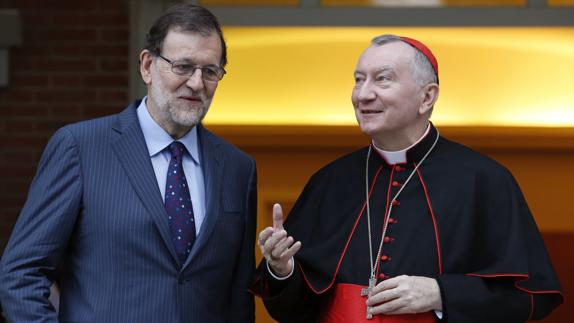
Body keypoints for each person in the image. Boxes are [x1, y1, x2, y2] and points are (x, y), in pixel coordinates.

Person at [251, 34, 563, 322]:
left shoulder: (485, 180)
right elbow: (294, 310)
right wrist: (282, 270)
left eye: (382, 80)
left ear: (427, 97)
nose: (363, 94)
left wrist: (441, 293)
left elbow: (531, 297)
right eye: (358, 80)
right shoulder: (329, 182)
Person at [0, 4, 256, 322]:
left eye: (210, 71)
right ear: (148, 65)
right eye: (183, 66)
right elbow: (22, 274)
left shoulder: (237, 169)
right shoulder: (80, 148)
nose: (196, 83)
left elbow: (239, 299)